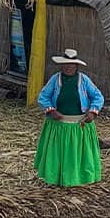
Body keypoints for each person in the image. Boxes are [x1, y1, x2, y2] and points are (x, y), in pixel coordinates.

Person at [35, 49, 104, 187]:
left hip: (79, 124)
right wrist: (51, 110)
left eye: (71, 64)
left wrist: (92, 112)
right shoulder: (55, 79)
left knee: (78, 153)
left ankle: (79, 177)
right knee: (57, 153)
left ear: (76, 66)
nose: (68, 67)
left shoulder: (83, 80)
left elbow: (98, 96)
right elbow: (43, 97)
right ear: (62, 65)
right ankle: (56, 177)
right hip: (59, 124)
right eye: (66, 64)